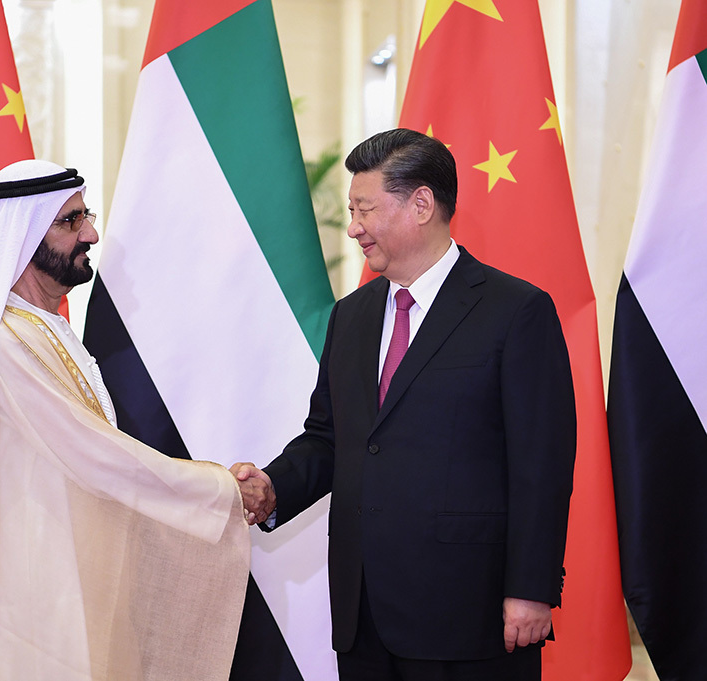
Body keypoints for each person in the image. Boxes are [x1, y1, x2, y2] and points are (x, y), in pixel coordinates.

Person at [232, 129, 576, 681]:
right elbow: (330, 438)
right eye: (351, 210)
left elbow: (542, 467)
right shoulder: (351, 316)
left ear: (421, 204)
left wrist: (531, 589)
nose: (353, 227)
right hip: (363, 615)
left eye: (365, 209)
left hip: (469, 615)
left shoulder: (516, 312)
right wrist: (273, 487)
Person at [0, 160, 249, 681]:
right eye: (70, 221)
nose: (91, 234)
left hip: (77, 577)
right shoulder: (2, 342)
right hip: (36, 597)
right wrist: (219, 489)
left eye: (85, 216)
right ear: (24, 234)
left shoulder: (46, 328)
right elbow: (95, 453)